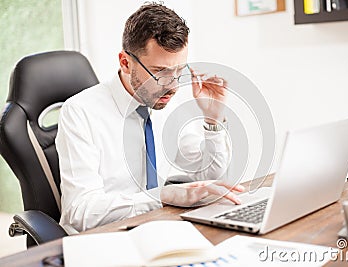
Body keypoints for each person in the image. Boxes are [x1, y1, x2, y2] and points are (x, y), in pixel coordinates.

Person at [55, 3, 243, 234]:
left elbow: (209, 176)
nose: (173, 86)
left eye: (179, 71)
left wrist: (213, 119)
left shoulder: (164, 104)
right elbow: (80, 213)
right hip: (103, 238)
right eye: (160, 72)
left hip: (159, 228)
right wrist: (161, 196)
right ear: (125, 62)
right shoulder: (80, 111)